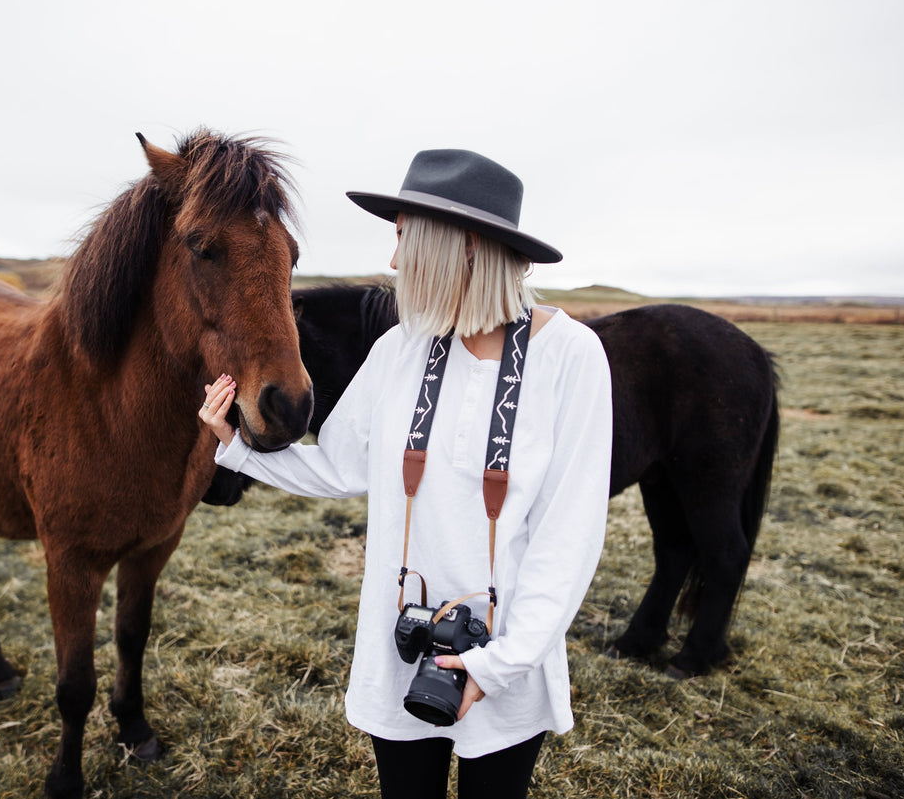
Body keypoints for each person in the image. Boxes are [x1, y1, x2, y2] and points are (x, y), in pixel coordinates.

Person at [199, 149, 612, 799]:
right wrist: (239, 447)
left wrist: (498, 665)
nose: (393, 263)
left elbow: (569, 537)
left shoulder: (570, 358)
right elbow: (339, 465)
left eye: (402, 239)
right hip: (401, 651)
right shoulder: (398, 350)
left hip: (508, 664)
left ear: (462, 247)